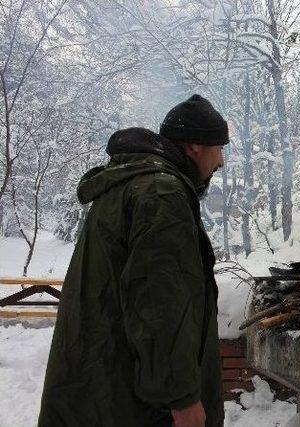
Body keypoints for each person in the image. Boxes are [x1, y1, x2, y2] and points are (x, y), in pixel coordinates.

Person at [38, 95, 227, 427]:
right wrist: (181, 397)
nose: (221, 160)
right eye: (219, 148)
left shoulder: (131, 185)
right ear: (196, 146)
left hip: (103, 386)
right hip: (135, 402)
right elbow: (160, 303)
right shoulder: (161, 195)